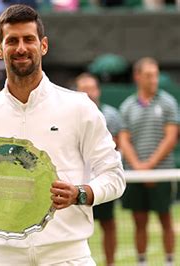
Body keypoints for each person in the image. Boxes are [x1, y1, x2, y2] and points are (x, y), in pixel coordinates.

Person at [0, 4, 125, 265]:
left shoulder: (78, 106)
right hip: (5, 257)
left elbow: (114, 176)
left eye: (28, 39)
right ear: (0, 49)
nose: (21, 48)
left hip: (68, 255)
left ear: (43, 45)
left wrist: (79, 193)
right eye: (12, 41)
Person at [119, 57, 178, 266]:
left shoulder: (168, 102)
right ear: (138, 77)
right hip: (134, 175)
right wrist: (137, 167)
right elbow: (124, 139)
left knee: (165, 219)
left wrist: (150, 166)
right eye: (148, 75)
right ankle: (141, 262)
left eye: (155, 75)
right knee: (139, 221)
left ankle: (170, 261)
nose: (153, 79)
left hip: (162, 173)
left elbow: (171, 137)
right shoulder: (127, 106)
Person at [75, 72, 123, 266]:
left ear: (98, 90)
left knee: (108, 224)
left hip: (102, 180)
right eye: (83, 89)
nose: (88, 93)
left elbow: (117, 143)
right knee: (76, 228)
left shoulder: (110, 114)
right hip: (77, 183)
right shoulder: (71, 116)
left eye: (91, 89)